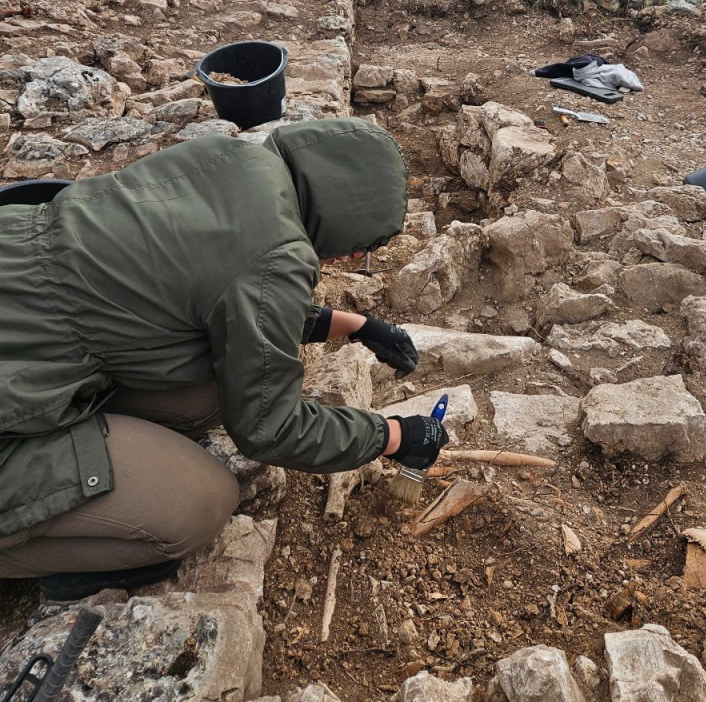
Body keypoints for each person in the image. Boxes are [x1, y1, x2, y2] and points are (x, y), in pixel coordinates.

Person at [0, 118, 449, 600]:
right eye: (362, 246)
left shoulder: (228, 160)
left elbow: (217, 292)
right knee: (201, 503)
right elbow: (271, 428)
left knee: (211, 389)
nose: (353, 257)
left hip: (31, 318)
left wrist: (356, 326)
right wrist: (393, 435)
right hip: (15, 400)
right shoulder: (278, 256)